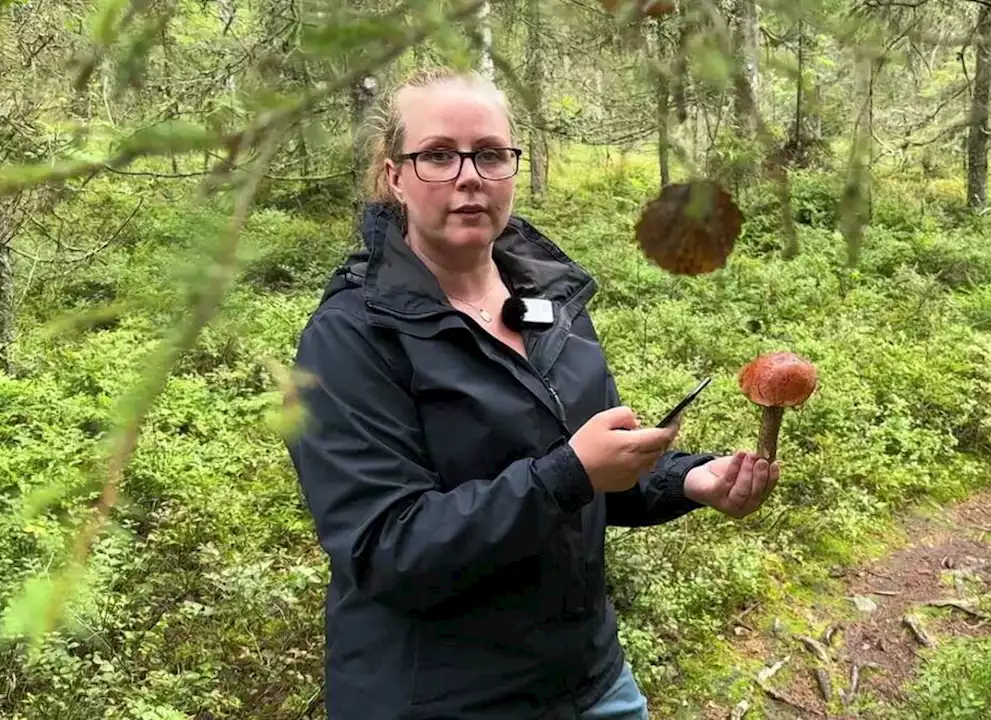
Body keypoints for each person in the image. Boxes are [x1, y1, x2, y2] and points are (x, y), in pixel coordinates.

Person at [284, 67, 780, 720]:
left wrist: (692, 480)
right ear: (393, 176)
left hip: (591, 683)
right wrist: (567, 474)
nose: (469, 175)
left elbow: (597, 473)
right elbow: (386, 550)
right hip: (443, 702)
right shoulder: (348, 339)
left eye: (490, 154)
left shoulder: (549, 299)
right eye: (437, 155)